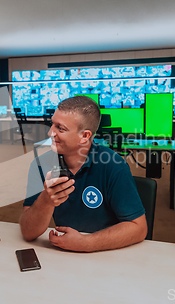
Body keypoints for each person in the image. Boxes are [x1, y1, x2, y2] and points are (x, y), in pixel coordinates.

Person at [19, 96, 147, 252]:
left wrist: (86, 243)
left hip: (107, 254)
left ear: (85, 136)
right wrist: (46, 200)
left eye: (60, 128)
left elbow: (139, 228)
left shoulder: (114, 166)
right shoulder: (41, 164)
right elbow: (28, 231)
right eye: (52, 124)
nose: (50, 132)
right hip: (63, 254)